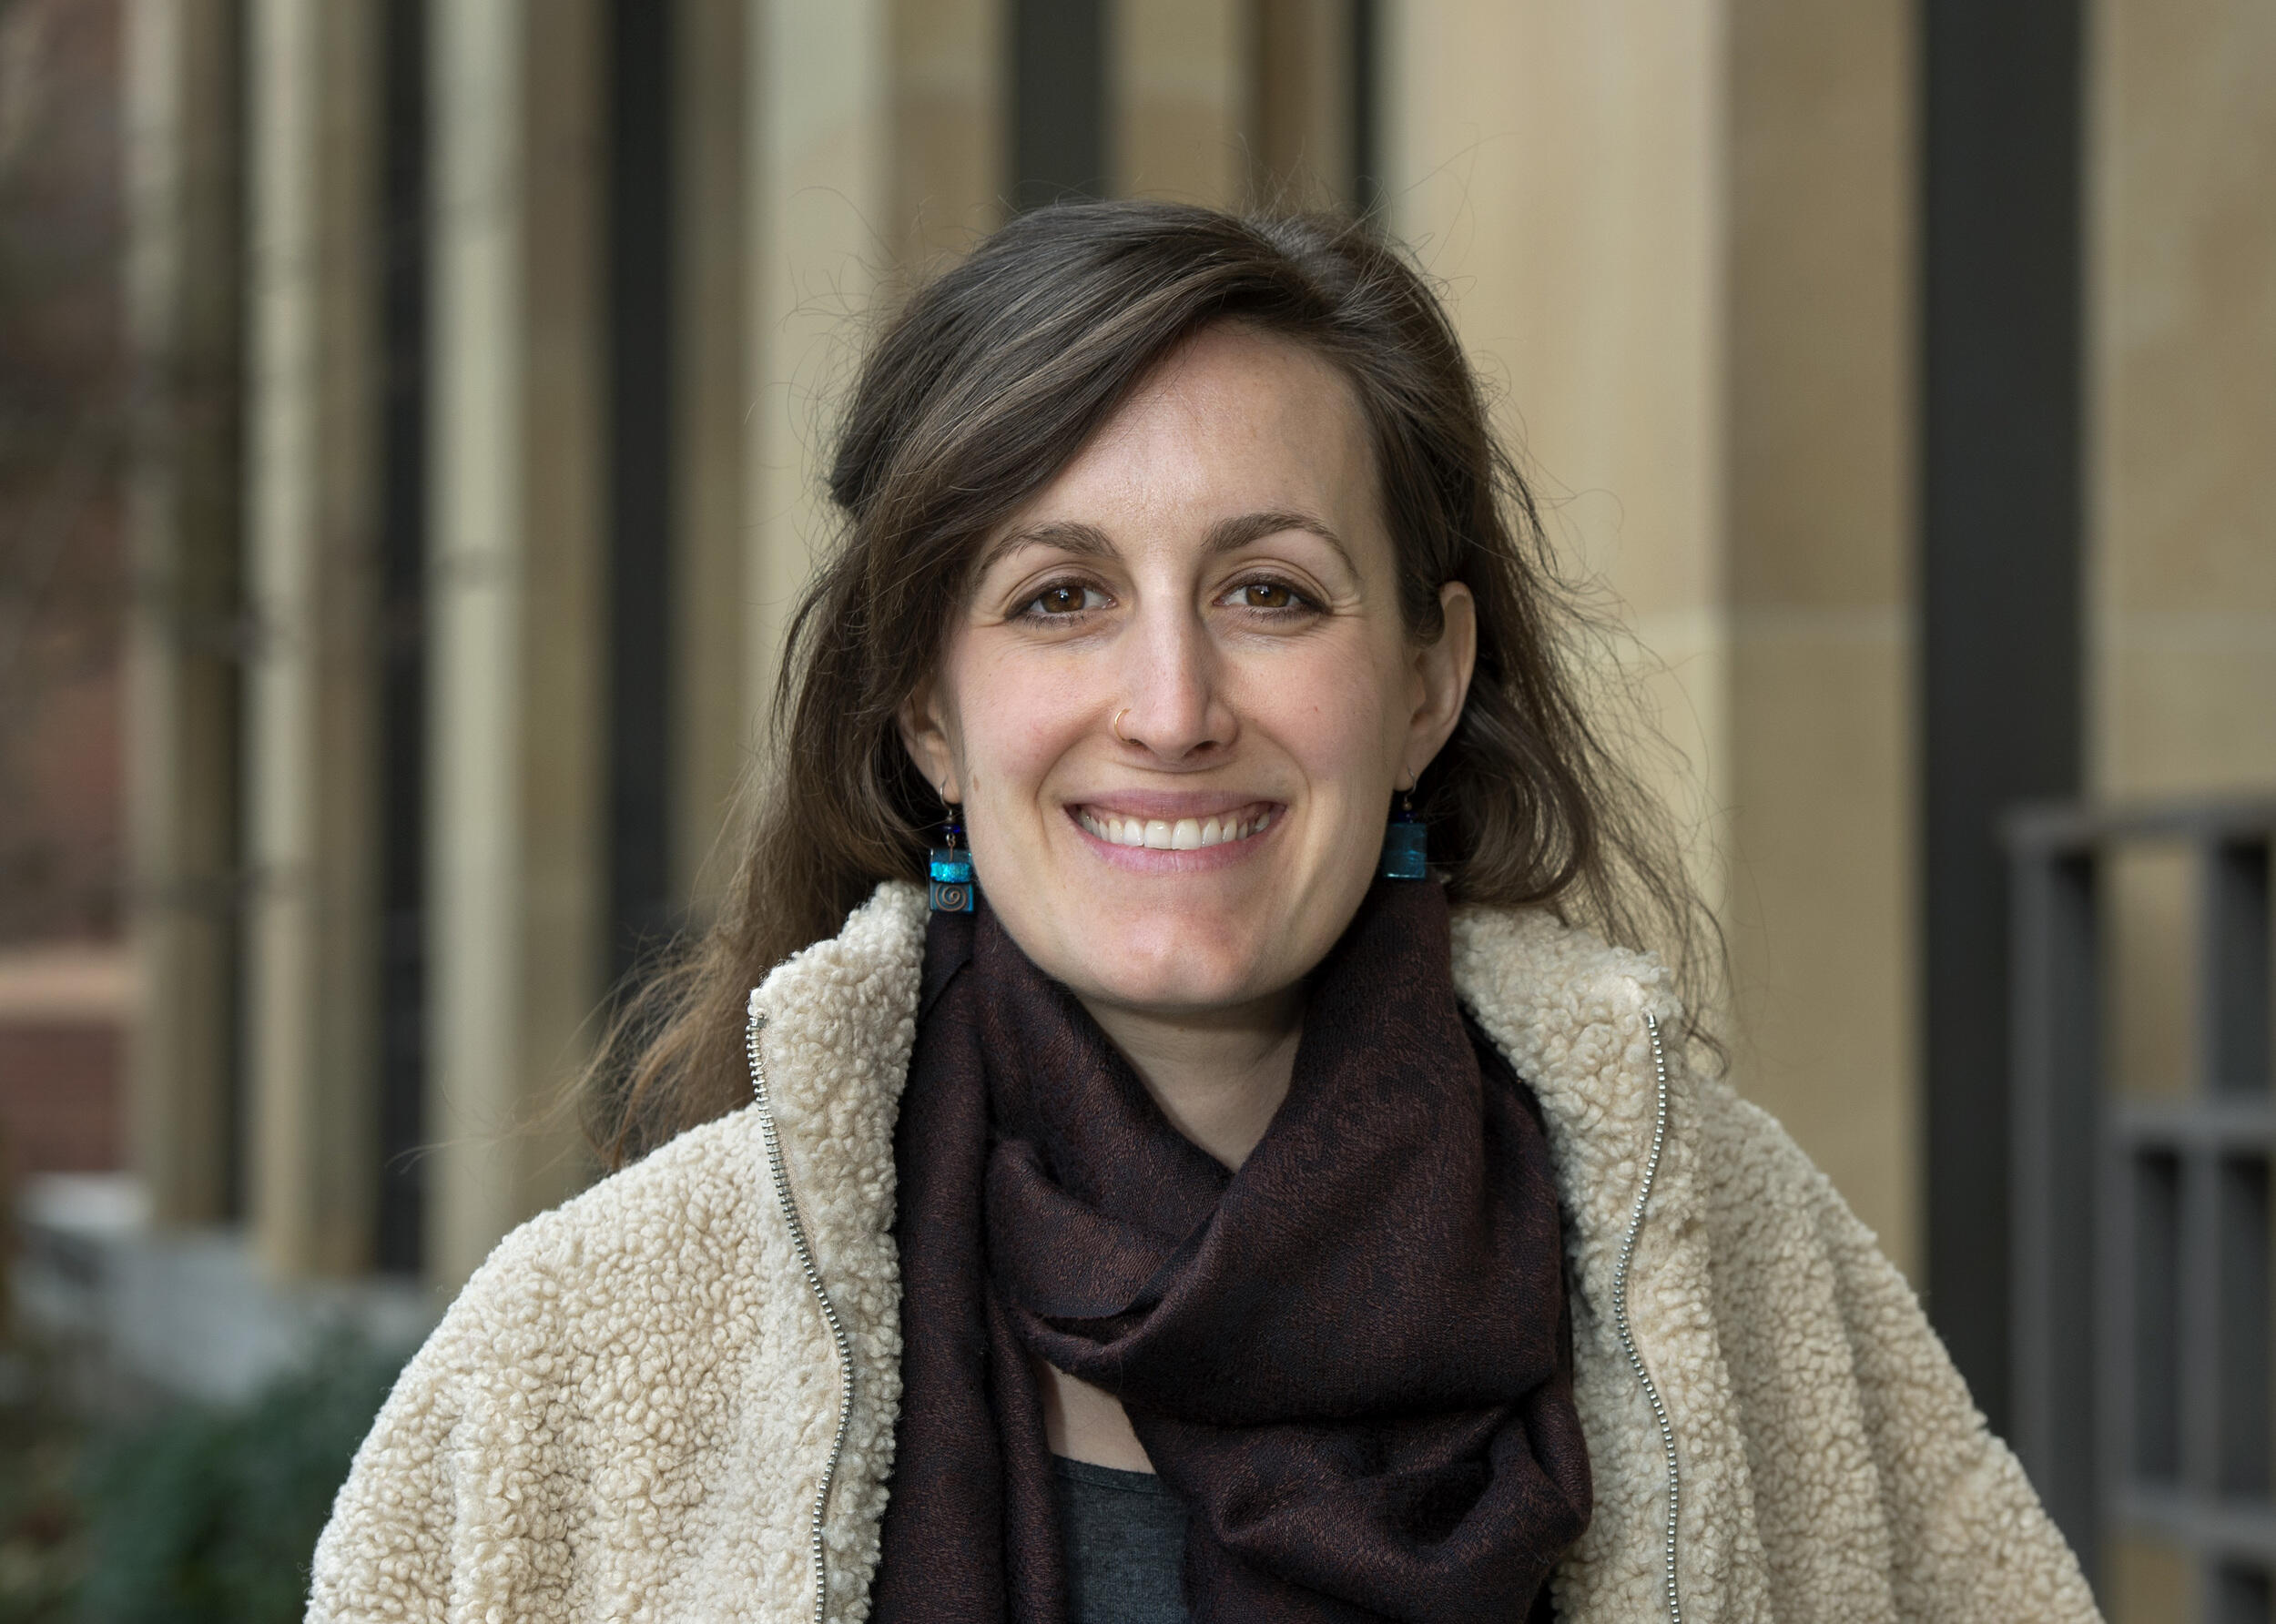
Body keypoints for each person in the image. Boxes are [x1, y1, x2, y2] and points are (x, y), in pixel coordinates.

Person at [307, 203, 2098, 1624]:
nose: (1170, 705)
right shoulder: (583, 1353)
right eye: (1060, 595)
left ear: (1422, 676)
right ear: (926, 707)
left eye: (1267, 589)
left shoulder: (1725, 1275)